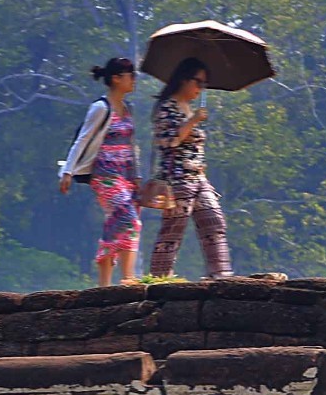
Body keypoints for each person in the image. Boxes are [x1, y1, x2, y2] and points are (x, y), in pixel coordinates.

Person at [59, 57, 143, 286]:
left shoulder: (128, 109)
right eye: (130, 75)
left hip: (125, 176)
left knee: (115, 223)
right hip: (105, 175)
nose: (134, 80)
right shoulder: (101, 108)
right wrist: (67, 172)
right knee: (129, 220)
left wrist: (136, 176)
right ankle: (128, 278)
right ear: (116, 79)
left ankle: (104, 285)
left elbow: (131, 145)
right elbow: (82, 139)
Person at [150, 57, 233, 279]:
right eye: (198, 82)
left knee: (214, 220)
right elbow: (170, 141)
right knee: (173, 230)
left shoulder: (189, 108)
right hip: (177, 179)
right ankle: (159, 278)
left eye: (204, 84)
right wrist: (193, 121)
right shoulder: (167, 108)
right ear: (184, 80)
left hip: (197, 177)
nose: (200, 88)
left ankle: (221, 274)